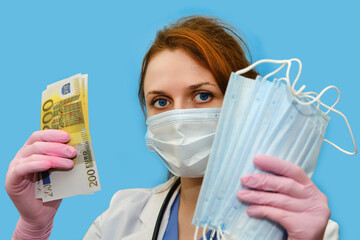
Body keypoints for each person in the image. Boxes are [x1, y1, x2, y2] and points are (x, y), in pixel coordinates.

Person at [5, 15, 339, 240]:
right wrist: (34, 227)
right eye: (161, 102)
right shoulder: (120, 220)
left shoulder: (307, 228)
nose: (178, 118)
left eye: (202, 95)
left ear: (244, 105)